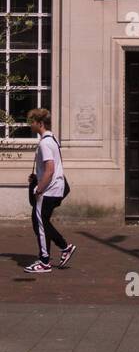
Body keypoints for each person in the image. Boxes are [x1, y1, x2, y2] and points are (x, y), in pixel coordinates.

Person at [25, 108, 74, 274]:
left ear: (40, 123)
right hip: (54, 188)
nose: (30, 125)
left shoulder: (45, 143)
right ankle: (63, 248)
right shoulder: (52, 139)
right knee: (41, 221)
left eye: (32, 122)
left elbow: (50, 169)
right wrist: (36, 177)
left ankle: (45, 261)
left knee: (40, 222)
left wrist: (39, 188)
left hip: (48, 190)